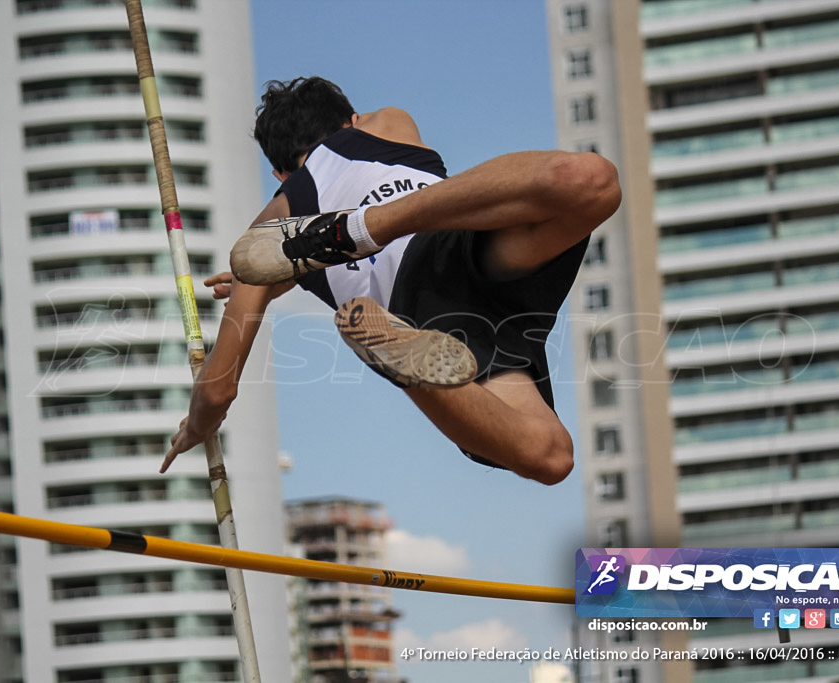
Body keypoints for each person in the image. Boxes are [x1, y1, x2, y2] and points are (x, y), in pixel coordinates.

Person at [163, 76, 621, 485]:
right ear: (353, 121)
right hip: (463, 245)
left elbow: (219, 387)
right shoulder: (387, 123)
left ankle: (364, 235)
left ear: (279, 173)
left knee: (550, 457)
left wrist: (197, 425)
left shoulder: (266, 238)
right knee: (591, 180)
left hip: (425, 311)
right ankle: (368, 231)